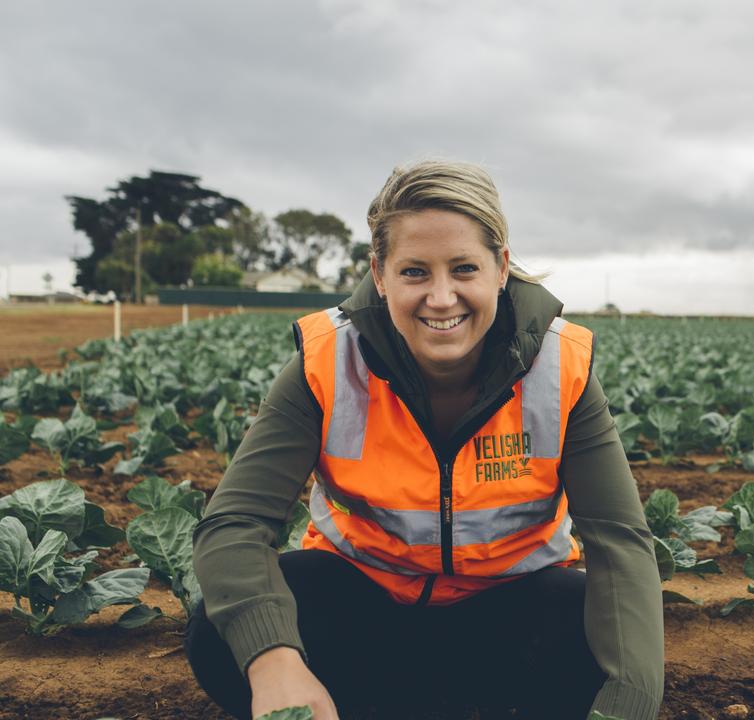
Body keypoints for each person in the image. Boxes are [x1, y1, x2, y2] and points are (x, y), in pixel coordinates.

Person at [185, 160, 664, 720]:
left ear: (501, 268)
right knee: (221, 634)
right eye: (415, 272)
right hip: (366, 613)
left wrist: (629, 703)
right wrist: (274, 661)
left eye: (464, 268)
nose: (442, 298)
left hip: (509, 619)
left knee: (591, 624)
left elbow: (621, 542)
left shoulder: (562, 367)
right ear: (380, 274)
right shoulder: (327, 362)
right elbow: (233, 525)